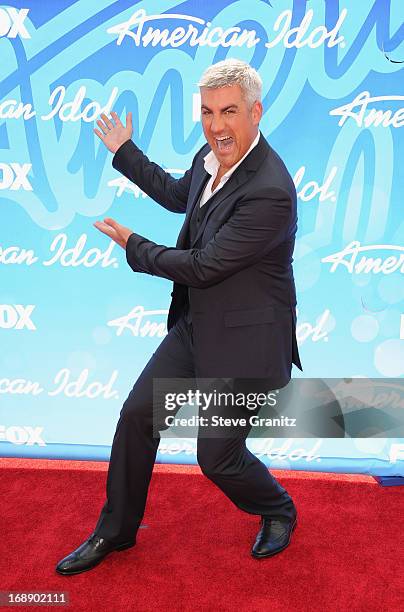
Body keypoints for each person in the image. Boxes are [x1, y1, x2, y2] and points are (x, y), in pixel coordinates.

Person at [56, 59, 302, 576]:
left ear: (256, 113)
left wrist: (133, 245)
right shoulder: (211, 158)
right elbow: (176, 196)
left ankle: (278, 508)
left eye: (230, 112)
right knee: (136, 416)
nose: (216, 126)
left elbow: (204, 266)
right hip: (198, 327)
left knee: (216, 459)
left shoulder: (270, 191)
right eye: (209, 112)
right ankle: (116, 530)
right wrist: (125, 153)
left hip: (247, 347)